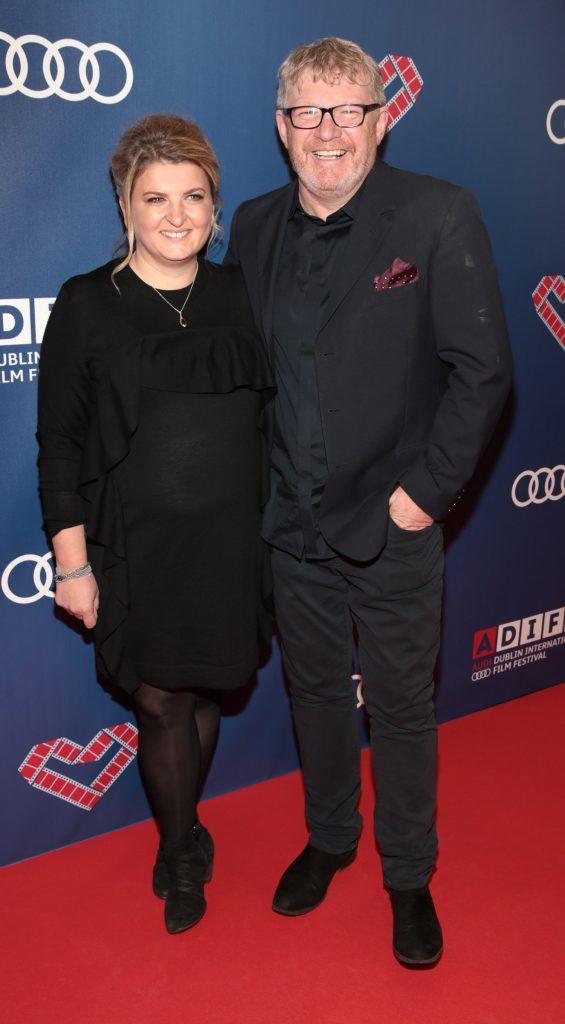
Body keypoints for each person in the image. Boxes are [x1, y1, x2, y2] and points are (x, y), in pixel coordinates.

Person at [225, 37, 512, 965]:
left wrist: (421, 500)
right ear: (281, 128)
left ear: (380, 121)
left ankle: (407, 872)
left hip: (391, 522)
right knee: (313, 694)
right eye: (308, 112)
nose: (329, 130)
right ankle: (330, 837)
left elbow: (482, 373)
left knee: (397, 705)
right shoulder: (257, 223)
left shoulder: (437, 214)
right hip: (291, 522)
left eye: (349, 109)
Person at [37, 114, 274, 935]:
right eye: (155, 198)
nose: (176, 216)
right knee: (162, 700)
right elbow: (59, 446)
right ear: (124, 206)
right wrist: (72, 564)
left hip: (231, 548)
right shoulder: (83, 305)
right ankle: (181, 849)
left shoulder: (243, 294)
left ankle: (187, 825)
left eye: (194, 197)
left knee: (204, 689)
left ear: (215, 206)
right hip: (135, 549)